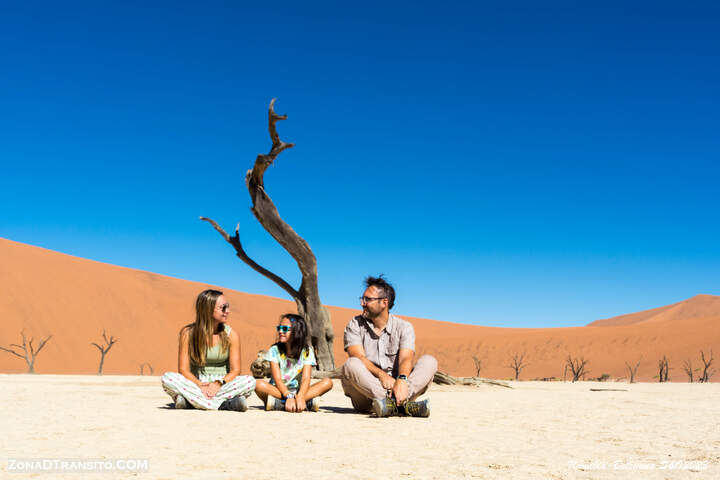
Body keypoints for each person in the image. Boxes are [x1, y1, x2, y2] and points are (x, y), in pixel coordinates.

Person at [342, 275, 437, 417]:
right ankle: (404, 405)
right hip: (366, 395)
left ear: (384, 302)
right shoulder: (355, 324)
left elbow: (406, 358)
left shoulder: (404, 327)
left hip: (399, 388)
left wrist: (402, 380)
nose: (362, 303)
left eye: (367, 299)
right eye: (362, 299)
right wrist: (381, 375)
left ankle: (393, 404)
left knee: (430, 361)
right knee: (351, 364)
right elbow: (358, 356)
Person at [161, 289, 256, 411]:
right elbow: (183, 369)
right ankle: (224, 405)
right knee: (168, 378)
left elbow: (235, 370)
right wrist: (199, 385)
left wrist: (218, 384)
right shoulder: (188, 333)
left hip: (223, 384)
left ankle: (192, 402)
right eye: (223, 308)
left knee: (250, 382)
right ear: (208, 309)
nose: (227, 311)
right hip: (196, 383)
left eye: (227, 307)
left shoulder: (231, 335)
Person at [254, 313, 333, 412]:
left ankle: (278, 404)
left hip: (300, 391)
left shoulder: (307, 351)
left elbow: (305, 378)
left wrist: (300, 396)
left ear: (297, 332)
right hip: (278, 391)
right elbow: (277, 379)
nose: (281, 331)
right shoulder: (275, 350)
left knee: (328, 382)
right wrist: (288, 395)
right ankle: (306, 403)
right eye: (279, 328)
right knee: (258, 384)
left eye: (285, 329)